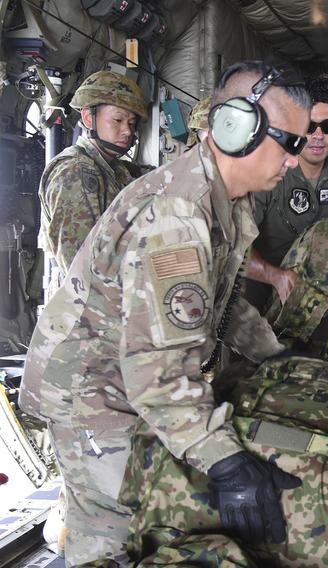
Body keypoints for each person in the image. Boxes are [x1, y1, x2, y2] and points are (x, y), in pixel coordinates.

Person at [20, 61, 310, 566]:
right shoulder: (176, 216)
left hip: (126, 378)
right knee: (117, 532)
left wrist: (274, 355)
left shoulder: (227, 201)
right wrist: (225, 460)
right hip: (90, 388)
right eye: (290, 142)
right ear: (236, 129)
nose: (295, 159)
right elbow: (156, 368)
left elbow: (218, 301)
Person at [245, 79, 328, 310]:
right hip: (261, 291)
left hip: (321, 293)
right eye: (309, 126)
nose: (318, 136)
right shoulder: (267, 171)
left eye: (327, 127)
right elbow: (235, 243)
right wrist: (275, 276)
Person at [38, 70, 148, 296]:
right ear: (89, 118)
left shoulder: (114, 169)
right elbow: (82, 269)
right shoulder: (75, 172)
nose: (127, 130)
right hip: (84, 313)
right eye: (117, 120)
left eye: (131, 123)